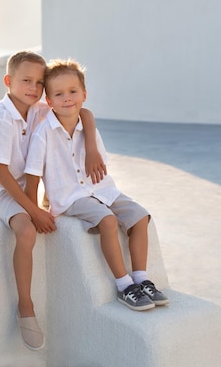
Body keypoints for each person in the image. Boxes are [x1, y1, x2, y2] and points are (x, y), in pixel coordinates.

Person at [0, 50, 106, 351]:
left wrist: (93, 147)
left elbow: (82, 112)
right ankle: (25, 306)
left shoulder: (38, 109)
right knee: (26, 229)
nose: (33, 88)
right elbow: (3, 175)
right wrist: (33, 211)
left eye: (38, 83)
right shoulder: (0, 119)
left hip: (30, 183)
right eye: (26, 81)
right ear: (8, 81)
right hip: (3, 189)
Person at [24, 59, 169, 312]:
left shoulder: (88, 126)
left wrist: (90, 146)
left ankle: (141, 279)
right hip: (70, 197)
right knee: (108, 220)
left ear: (84, 94)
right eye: (58, 94)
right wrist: (35, 211)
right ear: (49, 101)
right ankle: (125, 286)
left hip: (101, 189)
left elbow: (99, 164)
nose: (67, 98)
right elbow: (33, 175)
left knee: (140, 216)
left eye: (72, 92)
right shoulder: (43, 133)